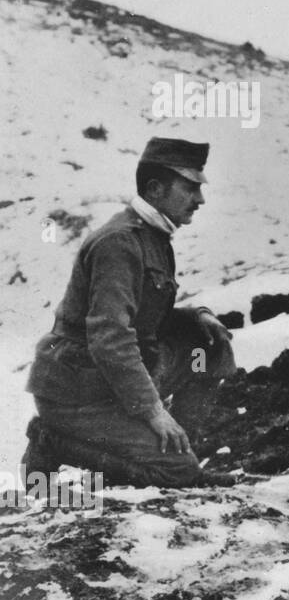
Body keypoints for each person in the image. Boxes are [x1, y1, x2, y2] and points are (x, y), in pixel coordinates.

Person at [23, 138, 238, 489]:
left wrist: (198, 316)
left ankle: (183, 447)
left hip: (112, 381)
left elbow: (143, 316)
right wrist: (153, 412)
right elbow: (110, 338)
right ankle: (53, 440)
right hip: (79, 394)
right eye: (190, 189)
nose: (200, 200)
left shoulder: (153, 237)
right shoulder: (120, 243)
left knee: (207, 350)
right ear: (155, 189)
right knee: (175, 473)